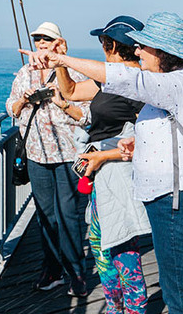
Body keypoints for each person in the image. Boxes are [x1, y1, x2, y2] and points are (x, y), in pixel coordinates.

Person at [20, 11, 183, 314]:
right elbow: (79, 92)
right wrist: (132, 141)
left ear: (162, 52)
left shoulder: (177, 83)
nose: (138, 51)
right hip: (166, 196)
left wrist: (61, 60)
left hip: (180, 197)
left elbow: (124, 77)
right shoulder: (169, 83)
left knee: (182, 296)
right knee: (172, 285)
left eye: (146, 46)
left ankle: (131, 308)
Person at [49, 16, 151, 314]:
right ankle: (114, 307)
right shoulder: (112, 78)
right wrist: (60, 62)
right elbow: (70, 92)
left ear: (114, 46)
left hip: (120, 171)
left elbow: (149, 140)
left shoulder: (139, 84)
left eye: (104, 43)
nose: (102, 48)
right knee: (100, 243)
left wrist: (102, 156)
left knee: (122, 246)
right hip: (102, 174)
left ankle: (134, 309)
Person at [6, 21, 90, 297]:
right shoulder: (25, 72)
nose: (41, 44)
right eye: (38, 40)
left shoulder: (73, 71)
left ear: (59, 43)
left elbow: (87, 112)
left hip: (68, 154)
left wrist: (60, 101)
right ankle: (52, 268)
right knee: (46, 215)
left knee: (68, 213)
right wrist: (25, 101)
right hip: (36, 154)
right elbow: (12, 107)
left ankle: (76, 271)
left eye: (47, 40)